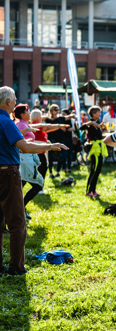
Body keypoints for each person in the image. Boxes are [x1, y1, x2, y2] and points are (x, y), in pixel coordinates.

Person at [0, 86, 68, 276]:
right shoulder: (7, 121)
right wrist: (50, 145)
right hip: (8, 174)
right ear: (7, 102)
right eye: (14, 99)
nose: (15, 102)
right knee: (17, 224)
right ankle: (16, 268)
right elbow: (25, 146)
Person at [80, 106, 107, 198]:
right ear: (93, 114)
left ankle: (93, 190)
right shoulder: (90, 123)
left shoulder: (97, 123)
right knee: (94, 170)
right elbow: (81, 127)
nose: (100, 114)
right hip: (94, 149)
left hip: (99, 148)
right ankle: (88, 191)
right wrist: (90, 123)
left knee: (98, 170)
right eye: (99, 112)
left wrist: (102, 128)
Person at [45, 104, 67, 178]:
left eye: (58, 109)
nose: (57, 111)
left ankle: (57, 172)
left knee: (61, 156)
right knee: (51, 157)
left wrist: (64, 128)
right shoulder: (48, 119)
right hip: (51, 139)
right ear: (51, 110)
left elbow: (67, 118)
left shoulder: (60, 118)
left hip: (60, 139)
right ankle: (51, 173)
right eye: (56, 110)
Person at [60, 109, 76, 173]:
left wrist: (73, 129)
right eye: (62, 114)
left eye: (64, 114)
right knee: (64, 154)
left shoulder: (71, 121)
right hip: (63, 139)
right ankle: (64, 168)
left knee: (69, 154)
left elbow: (75, 129)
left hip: (70, 139)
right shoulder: (61, 120)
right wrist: (67, 130)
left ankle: (69, 168)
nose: (63, 115)